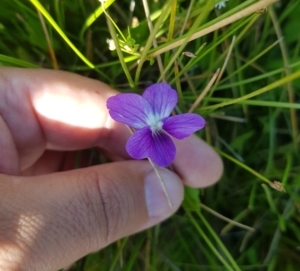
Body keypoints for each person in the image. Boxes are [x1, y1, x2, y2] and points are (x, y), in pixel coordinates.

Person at [0, 67, 223, 271]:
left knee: (160, 153)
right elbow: (130, 128)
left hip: (157, 133)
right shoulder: (150, 126)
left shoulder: (159, 126)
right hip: (153, 134)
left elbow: (178, 126)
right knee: (154, 153)